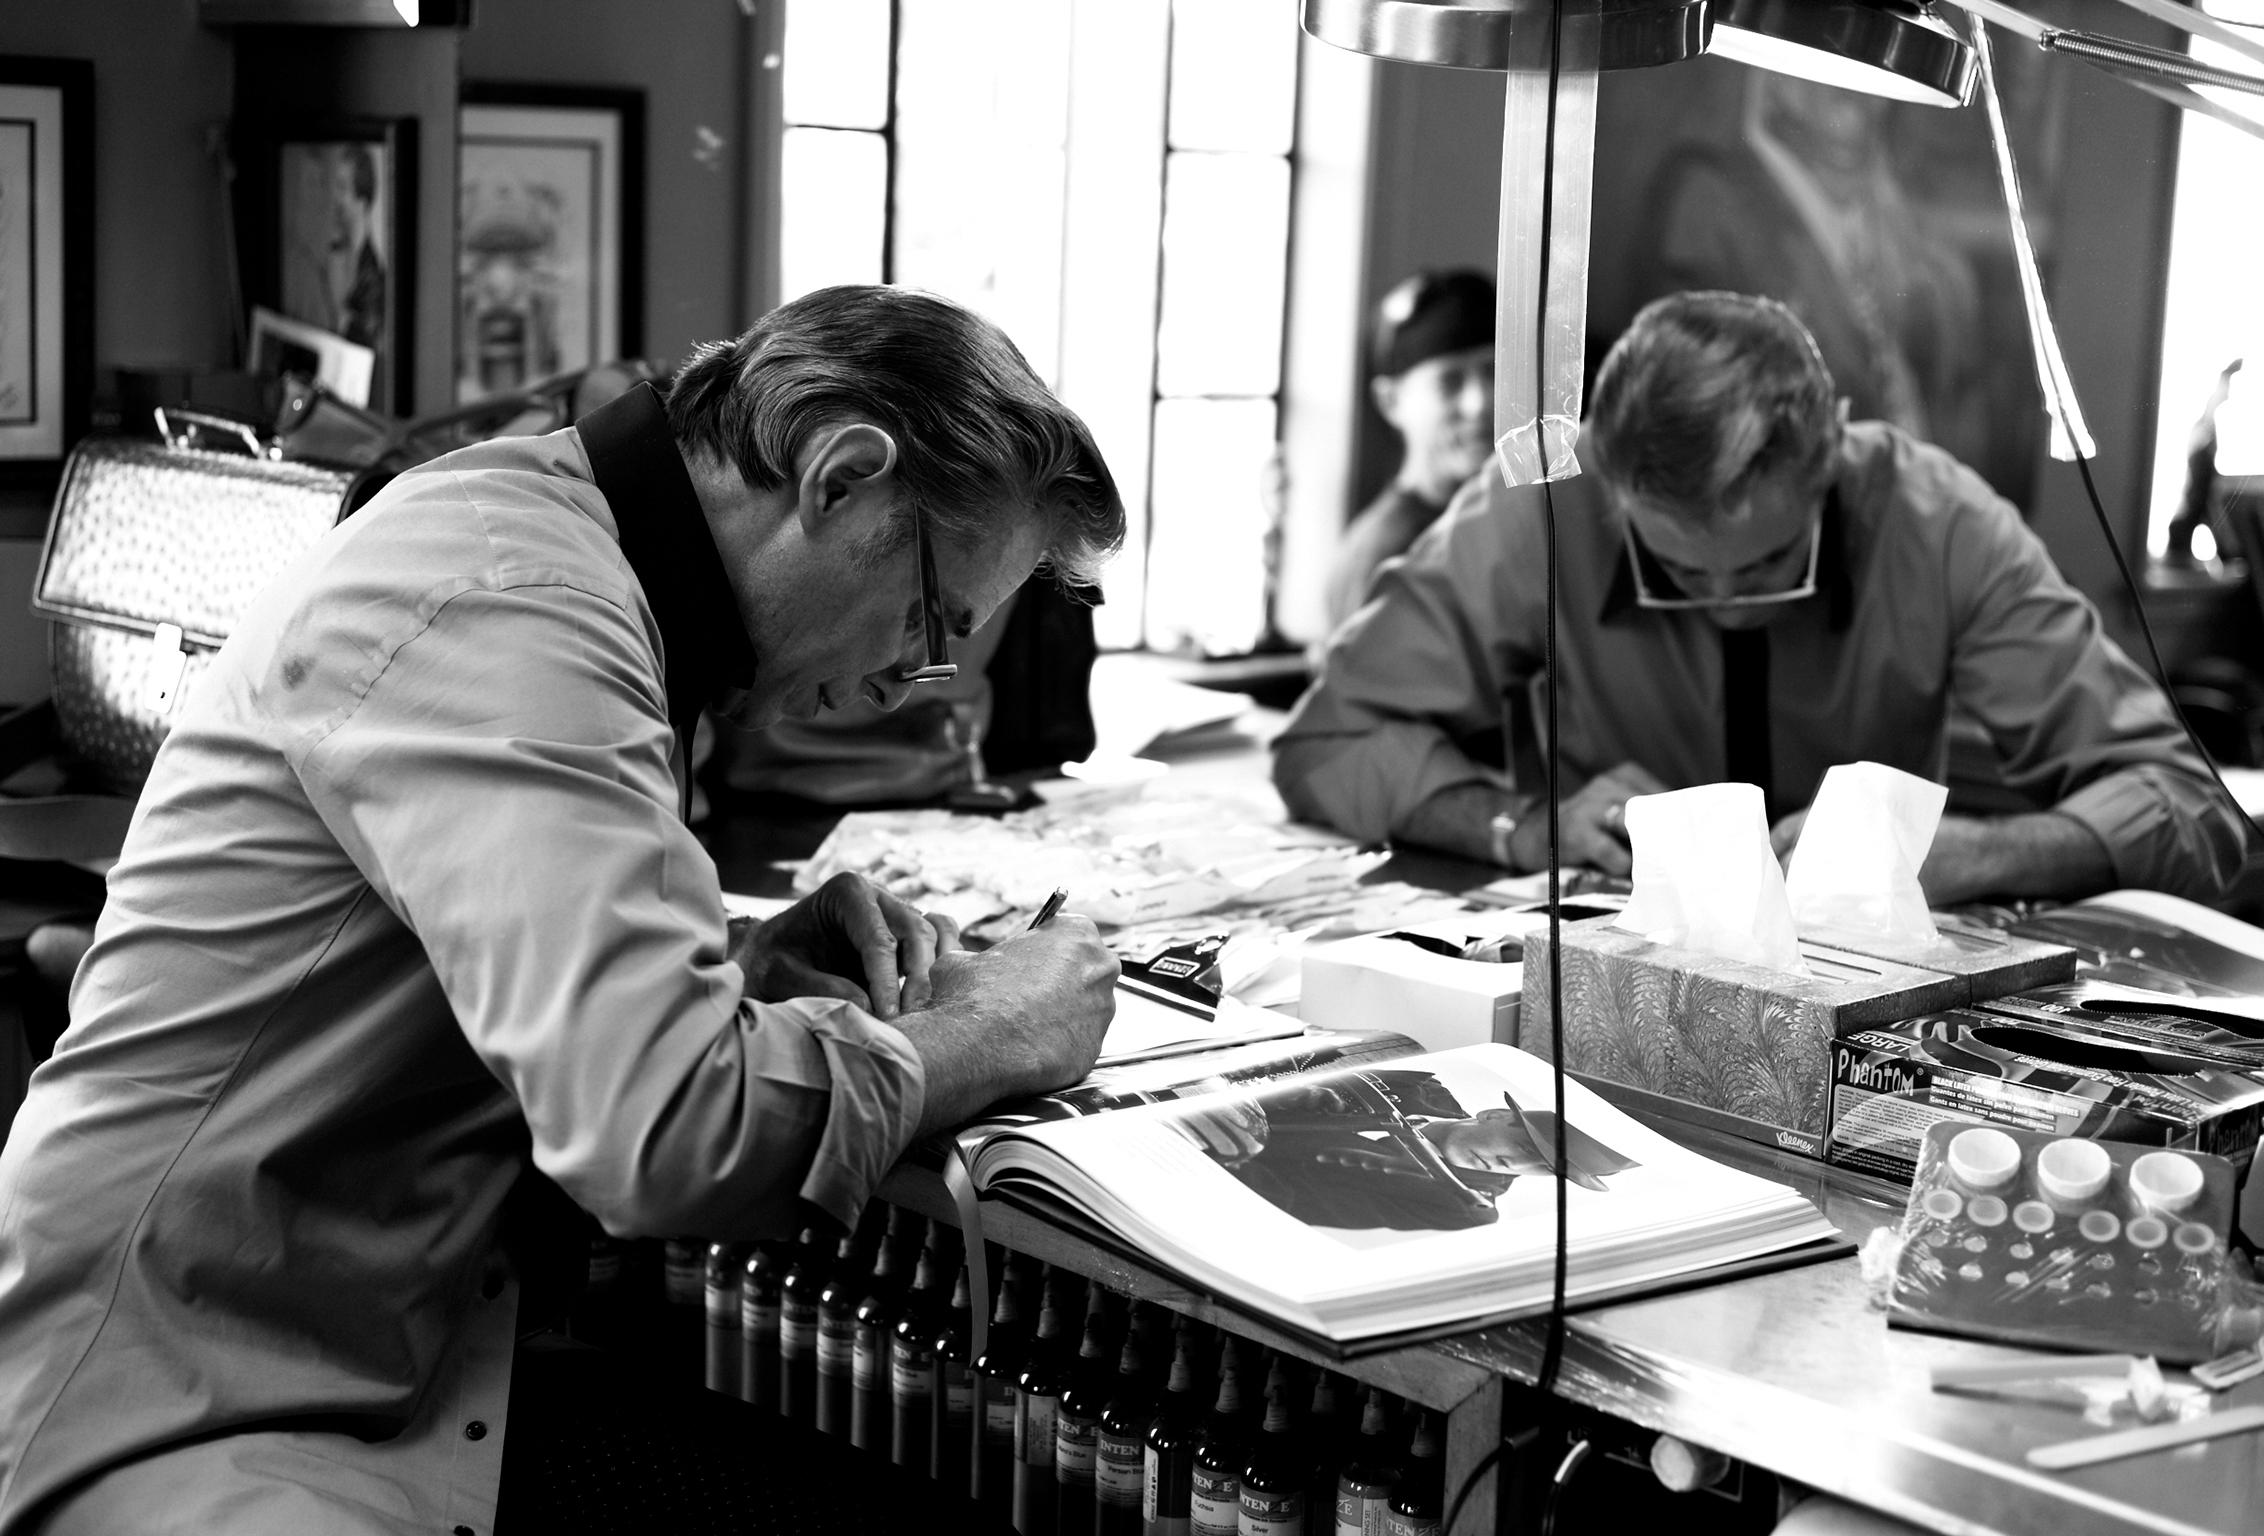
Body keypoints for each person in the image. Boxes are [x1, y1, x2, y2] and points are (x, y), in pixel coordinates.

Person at [0, 285, 1125, 1534]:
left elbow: (496, 988)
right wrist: (994, 1028)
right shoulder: (516, 602)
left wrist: (742, 972)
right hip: (192, 1406)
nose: (903, 687)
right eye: (927, 620)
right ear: (839, 476)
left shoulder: (574, 560)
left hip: (370, 1351)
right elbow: (658, 1129)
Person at [1273, 290, 2248, 907]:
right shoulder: (1539, 505)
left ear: (1832, 453)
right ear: (1606, 482)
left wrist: (1992, 856)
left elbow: (2188, 811)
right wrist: (1519, 826)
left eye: (1769, 560)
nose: (1730, 603)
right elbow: (1326, 747)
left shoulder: (1934, 518)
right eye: (1680, 576)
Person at [1170, 1071, 1639, 1231]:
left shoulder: (1462, 1205)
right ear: (1496, 1117)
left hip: (1196, 1180)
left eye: (1541, 1168)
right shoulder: (1416, 1085)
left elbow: (1295, 1204)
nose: (1515, 1165)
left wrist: (1217, 1162)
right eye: (1523, 1145)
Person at [1321, 269, 1496, 630]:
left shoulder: (1498, 522)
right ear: (1391, 401)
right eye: (1449, 382)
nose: (1480, 403)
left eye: (1493, 372)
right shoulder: (1386, 557)